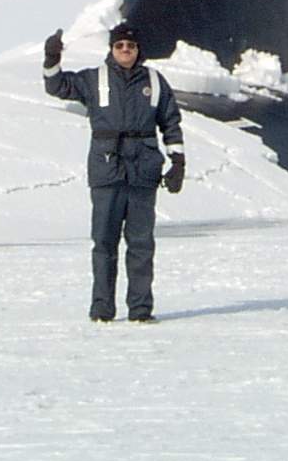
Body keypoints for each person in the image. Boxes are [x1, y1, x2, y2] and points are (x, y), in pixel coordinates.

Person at [43, 21, 186, 322]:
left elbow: (170, 122)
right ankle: (102, 310)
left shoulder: (155, 82)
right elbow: (56, 86)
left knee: (141, 244)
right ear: (111, 49)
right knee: (104, 243)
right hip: (107, 171)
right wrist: (52, 59)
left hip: (143, 172)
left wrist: (178, 163)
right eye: (120, 45)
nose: (125, 50)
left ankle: (141, 310)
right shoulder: (95, 80)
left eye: (130, 46)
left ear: (138, 50)